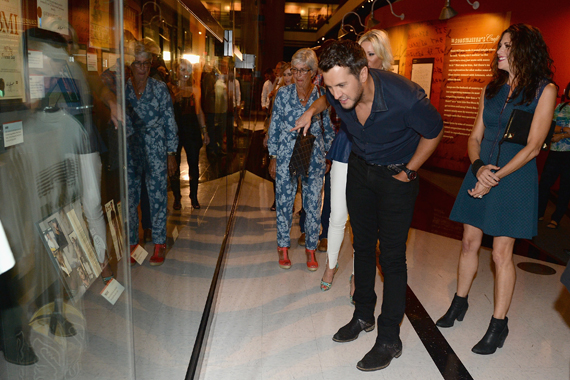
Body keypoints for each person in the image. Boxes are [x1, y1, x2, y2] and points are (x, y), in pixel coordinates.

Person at [317, 40, 443, 371]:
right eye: (331, 87)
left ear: (364, 72)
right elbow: (330, 100)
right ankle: (362, 316)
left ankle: (389, 338)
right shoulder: (336, 90)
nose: (337, 95)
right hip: (360, 170)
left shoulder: (405, 97)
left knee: (391, 257)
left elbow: (434, 131)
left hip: (396, 179)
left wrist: (410, 170)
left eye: (342, 85)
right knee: (361, 246)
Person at [437, 24, 556, 355]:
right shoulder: (490, 90)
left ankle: (498, 324)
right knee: (468, 243)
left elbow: (533, 147)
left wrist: (495, 176)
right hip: (480, 173)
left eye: (507, 45)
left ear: (525, 50)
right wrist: (479, 170)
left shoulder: (544, 91)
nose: (499, 51)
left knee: (503, 253)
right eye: (499, 45)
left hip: (514, 180)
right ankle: (459, 303)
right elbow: (474, 138)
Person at [296, 30, 395, 293]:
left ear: (381, 59)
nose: (362, 60)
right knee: (337, 213)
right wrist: (310, 112)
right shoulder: (343, 85)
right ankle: (332, 264)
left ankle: (357, 275)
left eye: (370, 55)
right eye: (360, 54)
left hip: (376, 155)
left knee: (364, 222)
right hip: (346, 147)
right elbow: (326, 98)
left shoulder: (390, 86)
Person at [267, 49, 334, 271]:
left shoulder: (322, 96)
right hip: (286, 156)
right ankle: (283, 247)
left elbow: (329, 129)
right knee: (284, 203)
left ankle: (311, 250)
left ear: (314, 73)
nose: (297, 75)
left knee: (313, 204)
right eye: (294, 70)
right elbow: (274, 127)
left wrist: (328, 156)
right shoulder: (283, 95)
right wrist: (273, 157)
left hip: (314, 157)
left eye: (302, 71)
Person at [126, 41, 178, 266]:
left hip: (156, 147)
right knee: (130, 197)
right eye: (138, 64)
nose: (142, 68)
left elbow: (169, 121)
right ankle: (132, 243)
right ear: (131, 65)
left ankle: (159, 243)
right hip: (131, 149)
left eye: (146, 64)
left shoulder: (159, 88)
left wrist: (171, 153)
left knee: (157, 196)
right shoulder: (124, 88)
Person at [170, 59, 210, 210]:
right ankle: (177, 197)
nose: (185, 73)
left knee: (194, 164)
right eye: (182, 70)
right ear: (176, 71)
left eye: (187, 70)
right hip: (175, 130)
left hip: (191, 130)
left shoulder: (195, 89)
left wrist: (204, 131)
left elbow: (199, 112)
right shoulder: (170, 89)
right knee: (174, 165)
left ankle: (194, 196)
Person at [538, 81, 570, 229]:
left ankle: (556, 218)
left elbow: (557, 129)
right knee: (544, 183)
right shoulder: (561, 106)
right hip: (555, 152)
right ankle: (539, 213)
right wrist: (566, 131)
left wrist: (561, 135)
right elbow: (550, 125)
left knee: (565, 188)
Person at [264, 63, 294, 211]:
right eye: (285, 74)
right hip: (280, 139)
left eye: (290, 74)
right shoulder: (279, 92)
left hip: (294, 141)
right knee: (277, 173)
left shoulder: (300, 93)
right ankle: (278, 200)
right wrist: (268, 134)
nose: (287, 77)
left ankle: (290, 201)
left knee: (292, 175)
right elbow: (273, 117)